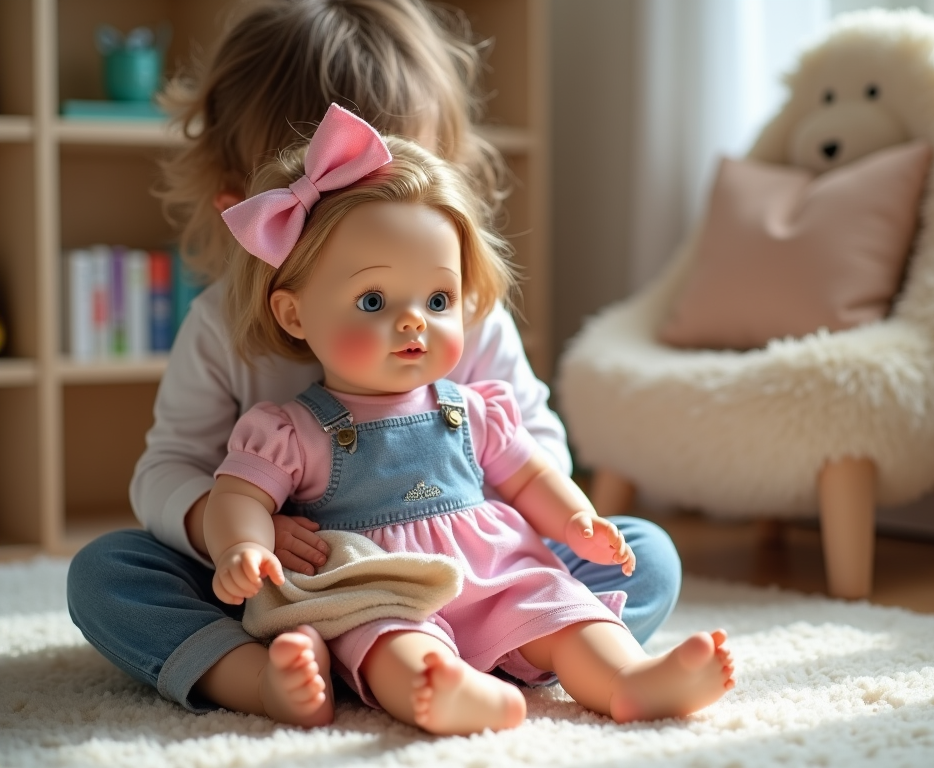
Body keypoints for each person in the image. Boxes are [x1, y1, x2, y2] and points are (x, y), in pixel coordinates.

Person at [66, 0, 683, 722]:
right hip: (289, 584)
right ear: (255, 221)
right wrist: (229, 534)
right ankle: (256, 674)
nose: (409, 312)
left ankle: (505, 648)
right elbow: (168, 467)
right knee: (109, 573)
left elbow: (532, 442)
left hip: (468, 569)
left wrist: (552, 519)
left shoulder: (470, 317)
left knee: (644, 552)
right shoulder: (217, 333)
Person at [204, 103, 734, 735]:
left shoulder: (474, 407)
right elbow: (236, 493)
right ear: (294, 316)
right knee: (387, 639)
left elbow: (529, 476)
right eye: (373, 300)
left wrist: (576, 519)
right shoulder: (292, 429)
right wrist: (242, 545)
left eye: (437, 299)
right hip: (377, 582)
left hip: (494, 568)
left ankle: (628, 680)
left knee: (559, 603)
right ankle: (441, 686)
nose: (412, 321)